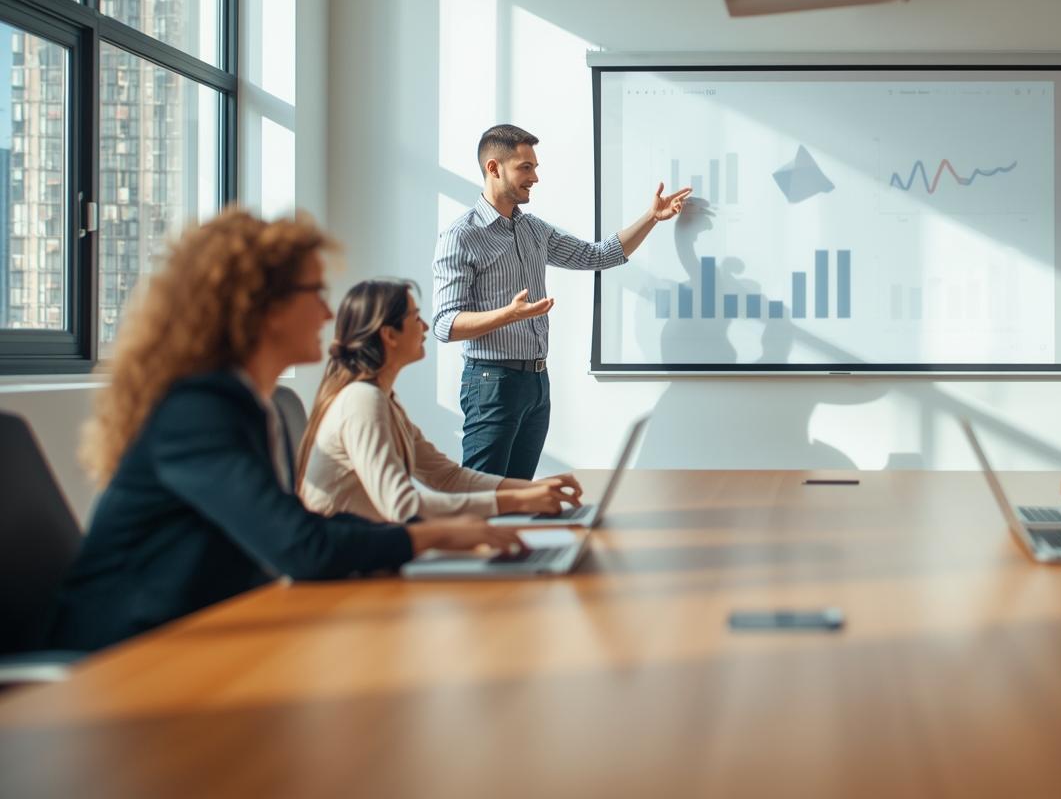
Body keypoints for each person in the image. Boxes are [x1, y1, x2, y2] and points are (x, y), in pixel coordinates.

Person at [50, 212, 528, 652]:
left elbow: (300, 524)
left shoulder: (247, 404)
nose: (327, 313)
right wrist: (428, 537)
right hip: (120, 659)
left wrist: (443, 531)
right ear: (263, 307)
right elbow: (301, 547)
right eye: (315, 292)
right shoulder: (198, 412)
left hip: (194, 637)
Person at [432, 124, 690, 478]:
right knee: (481, 494)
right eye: (526, 167)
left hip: (537, 383)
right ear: (494, 168)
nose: (535, 177)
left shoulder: (533, 229)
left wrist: (651, 218)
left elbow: (597, 255)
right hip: (492, 382)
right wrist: (508, 314)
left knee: (520, 495)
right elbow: (444, 325)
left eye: (534, 167)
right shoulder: (462, 236)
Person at [298, 279, 586, 523]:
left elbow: (448, 478)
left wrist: (530, 490)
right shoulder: (362, 401)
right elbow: (403, 508)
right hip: (346, 579)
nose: (425, 326)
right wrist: (518, 501)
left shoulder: (383, 400)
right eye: (415, 317)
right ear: (389, 335)